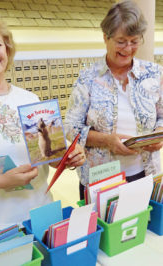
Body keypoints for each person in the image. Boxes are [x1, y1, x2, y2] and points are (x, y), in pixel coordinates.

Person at [0, 12, 86, 242]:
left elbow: (49, 154)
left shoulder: (30, 98)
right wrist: (3, 181)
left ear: (7, 51)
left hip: (39, 216)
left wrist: (68, 157)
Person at [64, 0, 163, 200]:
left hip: (145, 173)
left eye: (134, 41)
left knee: (143, 228)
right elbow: (70, 126)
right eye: (121, 41)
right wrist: (107, 140)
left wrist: (159, 134)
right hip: (100, 178)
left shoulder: (154, 74)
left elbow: (162, 115)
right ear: (105, 38)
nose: (128, 48)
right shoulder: (88, 78)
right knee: (103, 230)